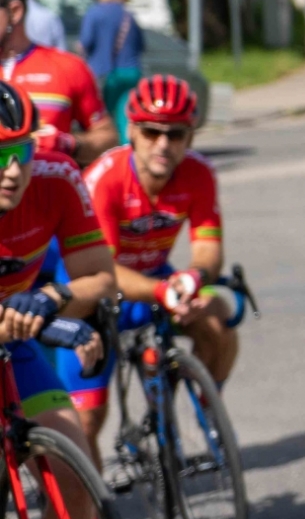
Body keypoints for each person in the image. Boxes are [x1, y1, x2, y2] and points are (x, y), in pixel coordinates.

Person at [75, 75, 242, 470]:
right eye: (151, 132)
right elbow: (103, 271)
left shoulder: (199, 173)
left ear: (190, 137)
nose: (163, 144)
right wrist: (165, 291)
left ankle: (206, 411)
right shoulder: (105, 179)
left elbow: (208, 251)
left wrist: (193, 279)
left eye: (176, 134)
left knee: (220, 326)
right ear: (132, 130)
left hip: (154, 278)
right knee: (86, 418)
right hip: (96, 287)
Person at [0, 82, 118, 519]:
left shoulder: (56, 176)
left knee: (76, 473)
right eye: (0, 154)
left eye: (22, 150)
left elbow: (100, 277)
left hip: (13, 346)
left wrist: (50, 299)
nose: (13, 169)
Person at [0, 0, 115, 167]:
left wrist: (69, 144)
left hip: (47, 195)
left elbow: (108, 139)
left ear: (15, 12)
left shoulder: (68, 67)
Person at [79, 0, 144, 143]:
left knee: (104, 118)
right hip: (131, 71)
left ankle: (112, 152)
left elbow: (86, 41)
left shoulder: (94, 13)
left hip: (106, 73)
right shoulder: (128, 15)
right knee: (127, 114)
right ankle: (128, 148)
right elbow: (140, 45)